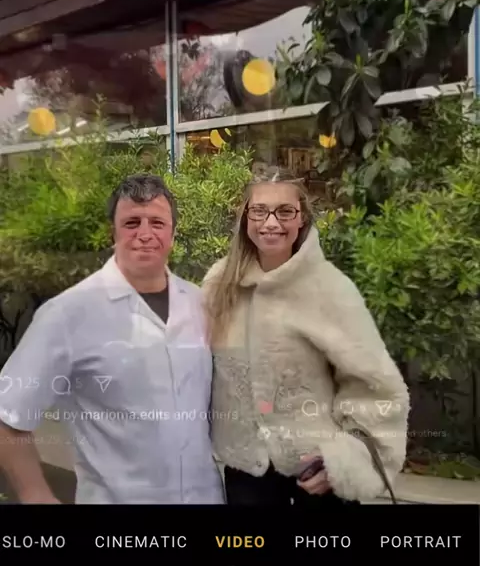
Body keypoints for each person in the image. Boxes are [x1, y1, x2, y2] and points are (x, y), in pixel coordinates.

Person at [0, 174, 224, 505]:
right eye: (132, 223)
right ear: (113, 234)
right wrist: (36, 495)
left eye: (157, 223)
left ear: (173, 234)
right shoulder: (67, 314)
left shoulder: (199, 303)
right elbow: (8, 415)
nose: (145, 234)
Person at [202, 166, 410, 507]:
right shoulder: (219, 285)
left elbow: (374, 383)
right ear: (245, 217)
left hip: (317, 473)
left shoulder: (330, 289)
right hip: (246, 474)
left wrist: (346, 459)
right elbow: (197, 370)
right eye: (260, 210)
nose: (271, 222)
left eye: (285, 211)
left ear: (302, 219)